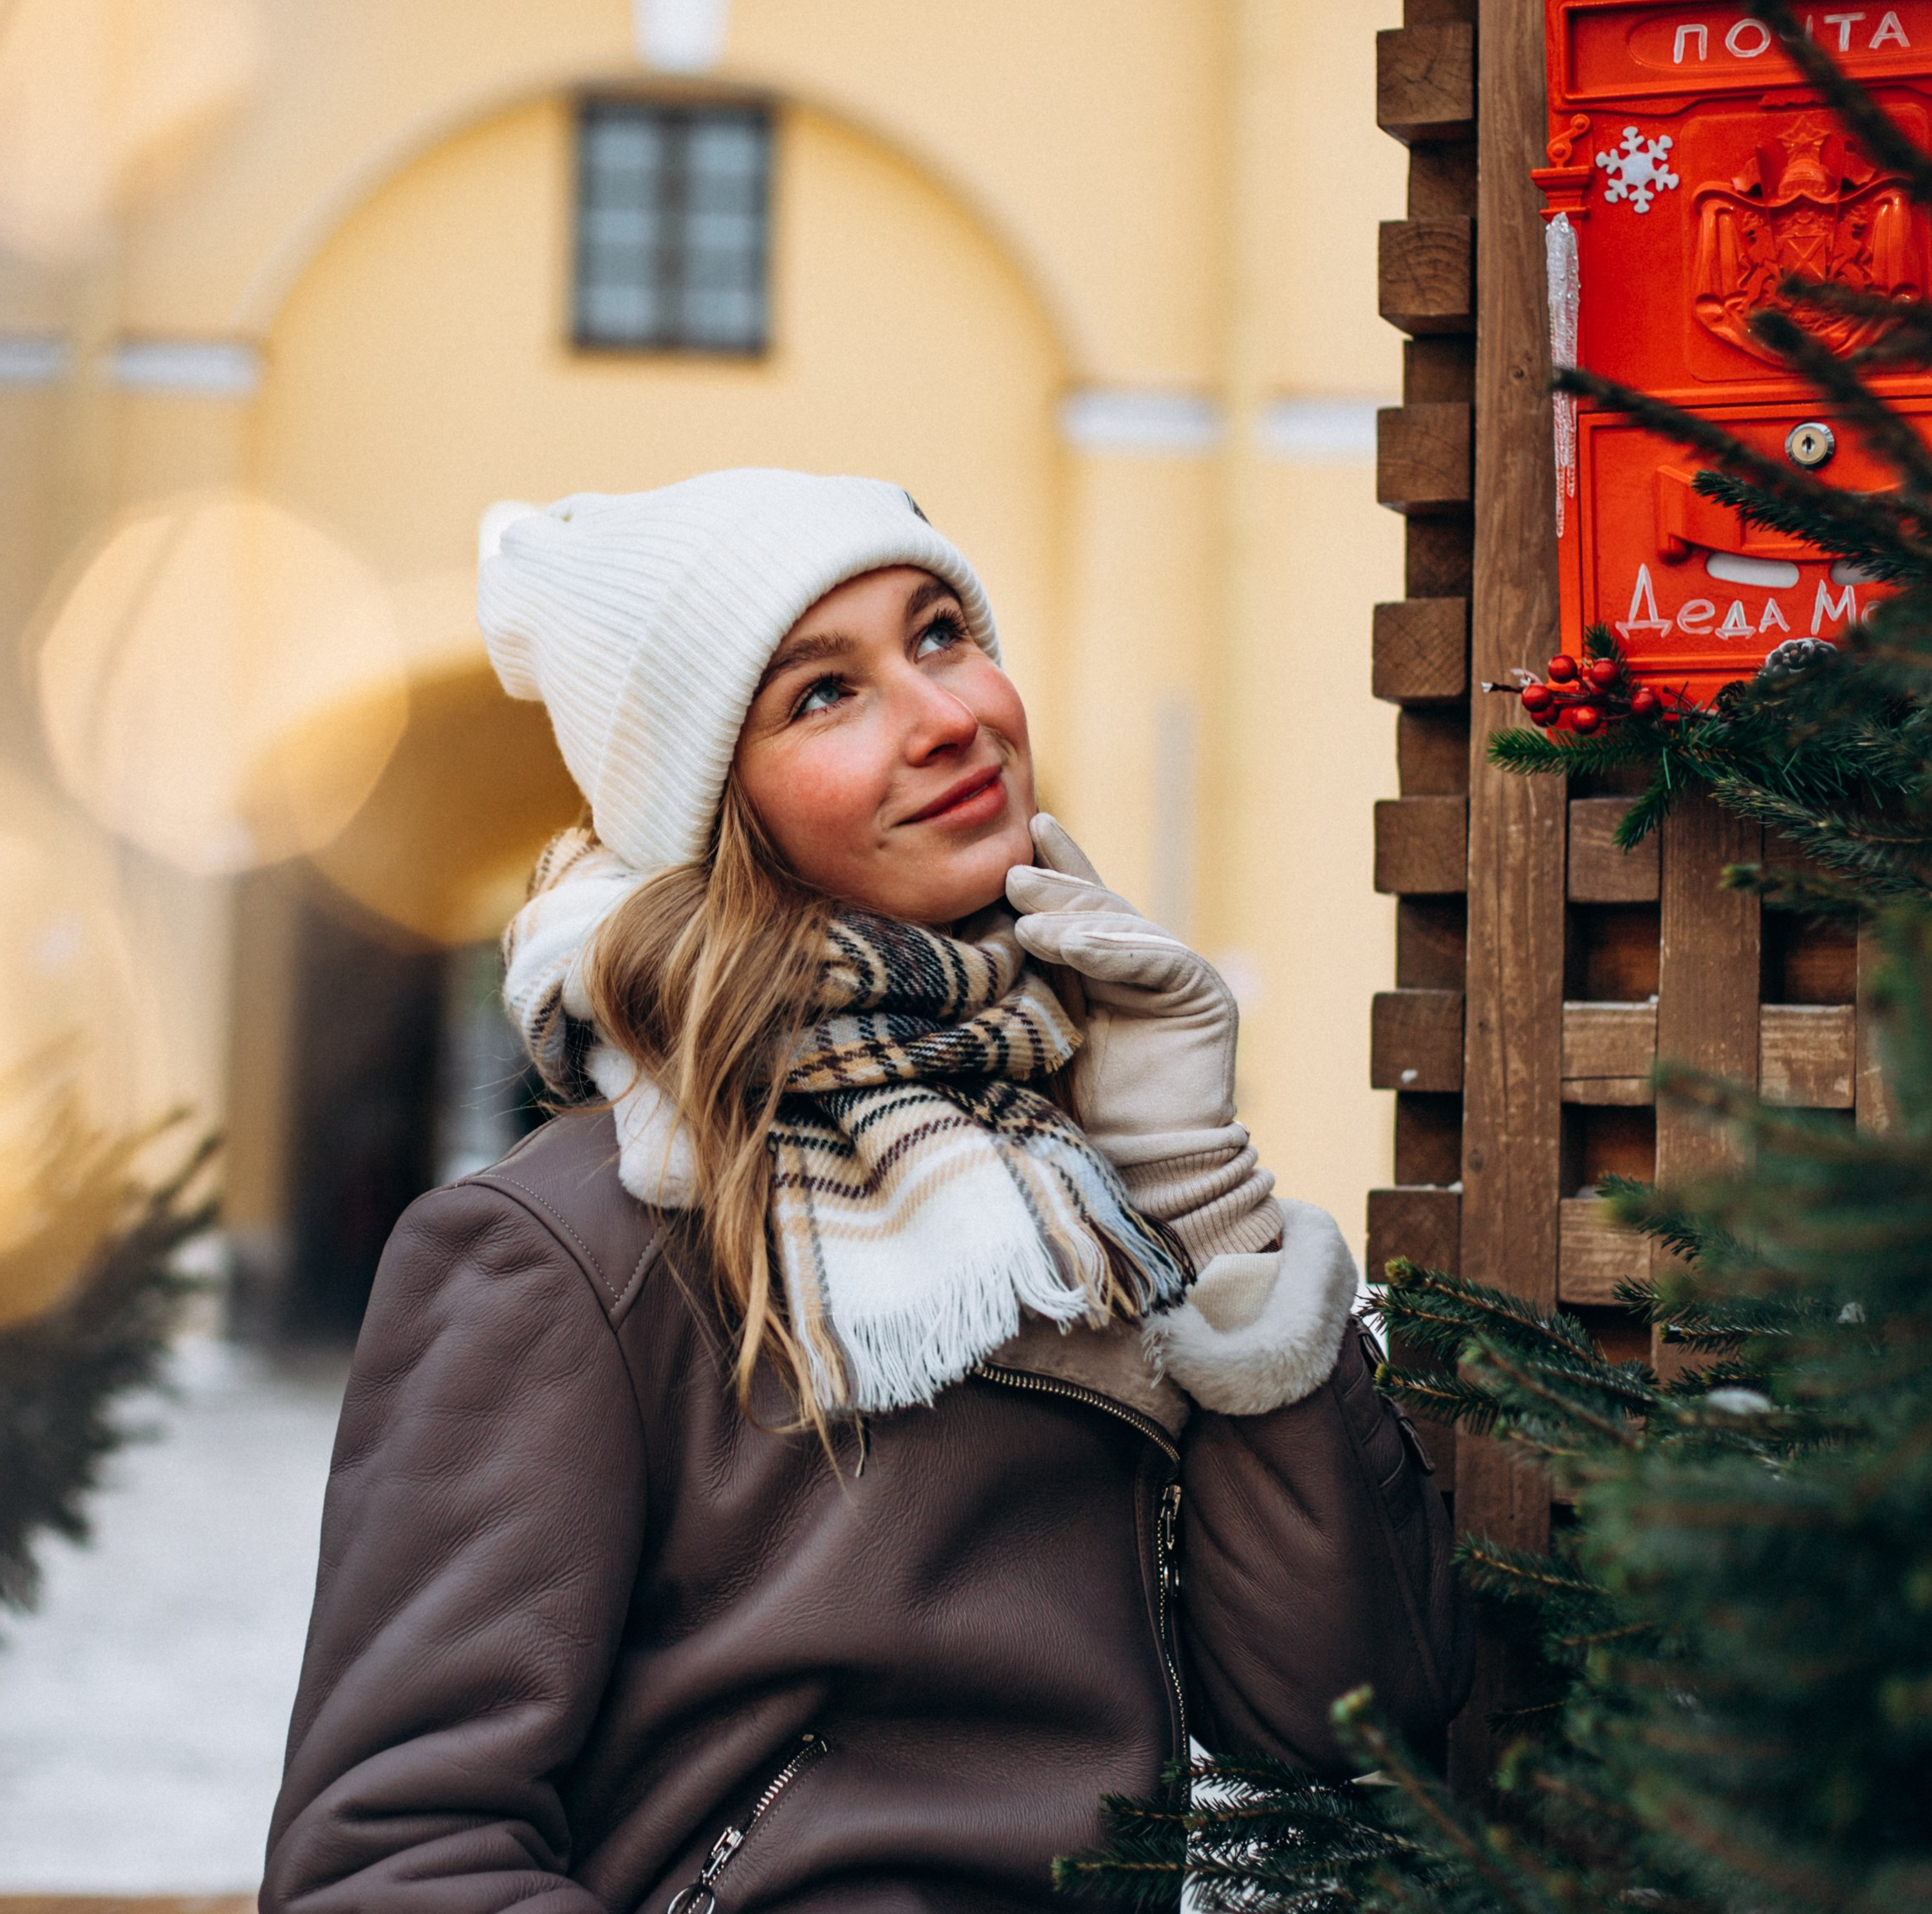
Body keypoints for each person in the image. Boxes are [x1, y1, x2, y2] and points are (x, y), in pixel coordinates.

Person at [261, 470, 1470, 1914]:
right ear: (715, 805)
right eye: (823, 695)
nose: (949, 715)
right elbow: (386, 1865)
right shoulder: (574, 1247)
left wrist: (1196, 1183)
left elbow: (1352, 1709)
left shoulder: (1076, 1188)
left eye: (945, 631)